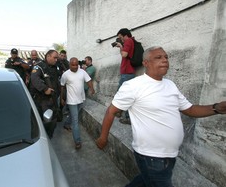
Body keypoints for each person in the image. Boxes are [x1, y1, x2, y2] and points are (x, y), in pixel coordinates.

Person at [95, 46, 226, 187]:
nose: (165, 60)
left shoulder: (170, 85)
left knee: (145, 182)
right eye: (158, 58)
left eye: (166, 57)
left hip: (170, 154)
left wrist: (216, 108)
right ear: (146, 63)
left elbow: (190, 109)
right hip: (151, 156)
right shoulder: (133, 86)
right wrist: (103, 137)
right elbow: (111, 111)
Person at [60, 57, 95, 149]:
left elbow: (88, 80)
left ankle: (66, 124)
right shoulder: (65, 74)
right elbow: (62, 86)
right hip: (71, 101)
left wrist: (92, 88)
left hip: (81, 99)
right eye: (73, 65)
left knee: (74, 114)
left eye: (76, 65)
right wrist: (62, 98)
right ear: (69, 64)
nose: (75, 67)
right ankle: (77, 141)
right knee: (75, 121)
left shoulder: (82, 72)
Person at [29, 49, 61, 138]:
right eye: (54, 58)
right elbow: (34, 79)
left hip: (53, 99)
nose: (56, 60)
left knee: (52, 122)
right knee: (43, 122)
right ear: (48, 56)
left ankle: (49, 137)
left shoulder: (55, 67)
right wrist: (45, 89)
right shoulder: (39, 67)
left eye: (57, 58)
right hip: (42, 100)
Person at [114, 28, 136, 125]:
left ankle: (127, 116)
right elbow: (124, 54)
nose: (120, 39)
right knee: (124, 94)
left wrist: (121, 46)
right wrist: (120, 47)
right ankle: (121, 112)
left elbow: (124, 54)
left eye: (120, 37)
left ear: (125, 35)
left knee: (123, 95)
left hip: (127, 73)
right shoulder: (129, 41)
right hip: (127, 73)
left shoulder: (128, 41)